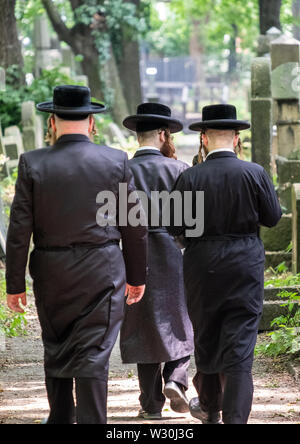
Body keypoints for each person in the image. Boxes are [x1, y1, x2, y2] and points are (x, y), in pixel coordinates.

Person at [5, 85, 148, 424]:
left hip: (52, 270)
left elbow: (18, 231)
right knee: (94, 352)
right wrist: (137, 276)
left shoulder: (32, 163)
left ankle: (60, 418)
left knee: (56, 346)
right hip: (103, 269)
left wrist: (14, 284)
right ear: (92, 122)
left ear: (51, 121)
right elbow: (134, 226)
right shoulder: (114, 161)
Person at [168, 104, 282, 424]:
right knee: (241, 344)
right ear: (234, 138)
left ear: (204, 138)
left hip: (202, 263)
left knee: (207, 333)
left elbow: (174, 227)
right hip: (244, 261)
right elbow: (273, 217)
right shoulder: (254, 173)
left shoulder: (189, 177)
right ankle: (235, 419)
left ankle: (209, 407)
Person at [120, 103, 194, 420]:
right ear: (163, 134)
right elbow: (193, 223)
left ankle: (150, 404)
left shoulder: (121, 170)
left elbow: (110, 219)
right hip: (171, 251)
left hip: (132, 254)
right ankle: (176, 378)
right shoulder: (179, 170)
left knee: (142, 327)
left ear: (138, 135)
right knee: (182, 322)